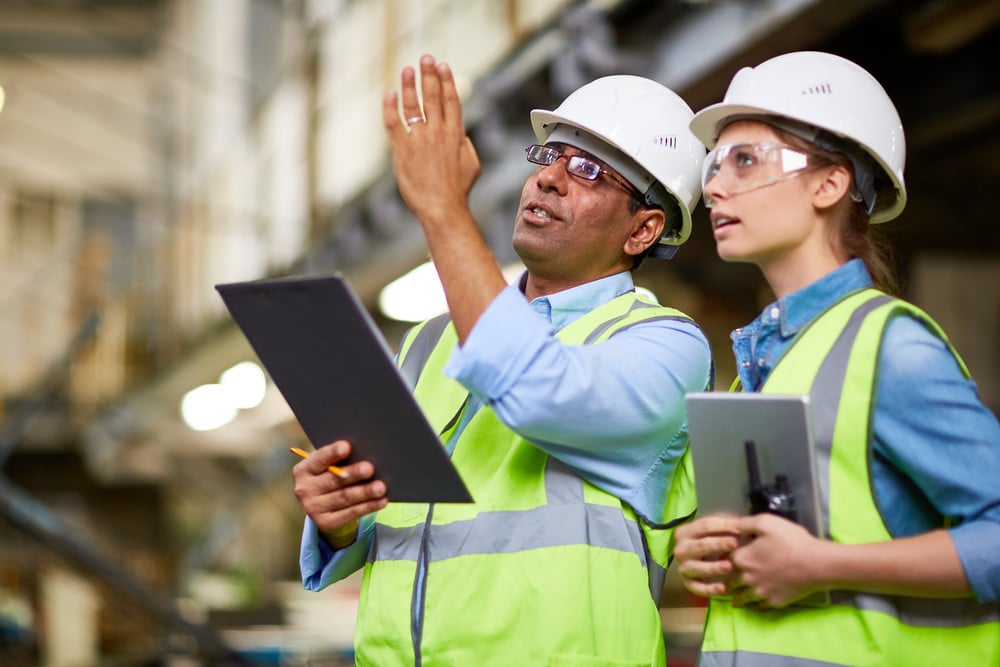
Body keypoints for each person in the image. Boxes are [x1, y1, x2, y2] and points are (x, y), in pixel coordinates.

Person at [291, 55, 712, 666]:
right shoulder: (430, 340)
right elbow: (392, 522)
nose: (549, 179)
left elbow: (538, 390)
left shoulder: (664, 347)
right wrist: (336, 519)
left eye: (589, 170)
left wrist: (442, 208)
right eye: (550, 157)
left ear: (643, 230)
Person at [674, 51, 1000, 666]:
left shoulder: (891, 347)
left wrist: (821, 565)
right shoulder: (763, 366)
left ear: (830, 183)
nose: (713, 187)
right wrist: (711, 549)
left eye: (745, 161)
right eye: (715, 165)